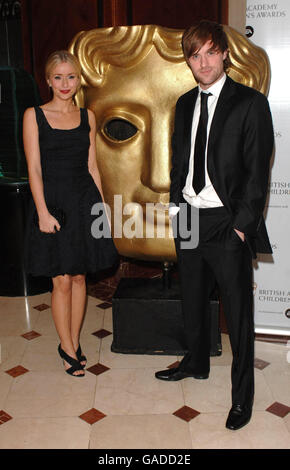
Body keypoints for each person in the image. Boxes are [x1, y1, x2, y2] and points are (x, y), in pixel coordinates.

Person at [155, 21, 274, 430]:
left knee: (238, 317)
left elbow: (258, 174)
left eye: (209, 52)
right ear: (188, 61)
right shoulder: (185, 102)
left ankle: (242, 398)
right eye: (194, 55)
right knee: (191, 300)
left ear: (224, 53)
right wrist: (174, 207)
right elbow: (178, 161)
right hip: (188, 216)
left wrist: (241, 227)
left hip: (226, 221)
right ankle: (195, 362)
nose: (202, 62)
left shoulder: (250, 103)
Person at [23, 50, 118, 377]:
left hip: (83, 202)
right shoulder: (33, 116)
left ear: (79, 80)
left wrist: (101, 206)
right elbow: (33, 168)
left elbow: (93, 166)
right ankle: (65, 347)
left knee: (80, 277)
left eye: (71, 76)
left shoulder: (88, 116)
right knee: (61, 280)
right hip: (53, 204)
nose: (65, 83)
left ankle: (74, 341)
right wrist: (42, 212)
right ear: (48, 80)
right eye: (59, 77)